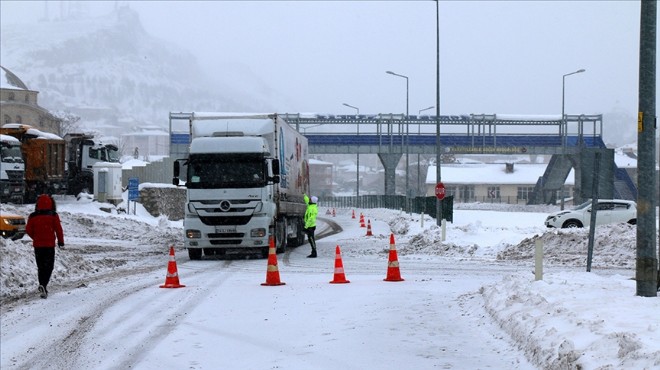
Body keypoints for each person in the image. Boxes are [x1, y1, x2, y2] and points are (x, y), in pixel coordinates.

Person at [26, 194, 64, 299]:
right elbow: (58, 229)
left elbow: (28, 229)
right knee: (49, 266)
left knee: (41, 267)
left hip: (38, 246)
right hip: (49, 246)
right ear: (51, 203)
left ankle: (42, 284)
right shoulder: (53, 215)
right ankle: (44, 284)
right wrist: (61, 241)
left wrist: (35, 237)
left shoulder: (33, 216)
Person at [303, 194, 319, 258]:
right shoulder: (310, 206)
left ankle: (314, 252)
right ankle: (313, 252)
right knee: (310, 239)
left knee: (311, 240)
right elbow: (307, 201)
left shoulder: (313, 209)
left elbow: (311, 219)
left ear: (312, 201)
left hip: (311, 227)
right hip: (309, 226)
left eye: (310, 199)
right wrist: (304, 195)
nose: (309, 199)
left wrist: (306, 227)